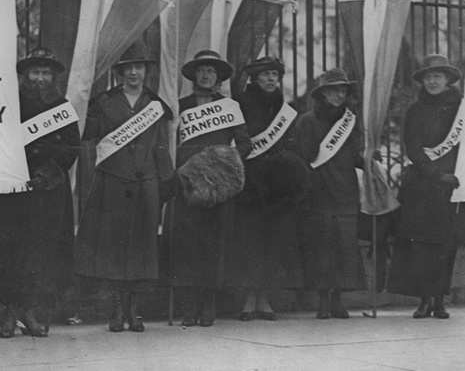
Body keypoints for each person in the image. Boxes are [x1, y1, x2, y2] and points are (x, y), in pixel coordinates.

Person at [0, 48, 80, 338]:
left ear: (53, 77)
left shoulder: (62, 107)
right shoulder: (6, 106)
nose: (40, 79)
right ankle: (9, 313)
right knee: (8, 251)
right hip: (10, 190)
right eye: (34, 73)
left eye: (45, 73)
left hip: (47, 190)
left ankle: (29, 313)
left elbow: (71, 147)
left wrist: (47, 173)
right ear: (24, 76)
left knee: (39, 252)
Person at [74, 41, 174, 333]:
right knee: (115, 246)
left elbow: (161, 146)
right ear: (118, 72)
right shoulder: (104, 102)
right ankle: (117, 309)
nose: (133, 73)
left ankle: (135, 309)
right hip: (113, 181)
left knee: (143, 246)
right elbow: (87, 134)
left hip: (146, 182)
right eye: (127, 68)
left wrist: (165, 181)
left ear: (146, 71)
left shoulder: (155, 105)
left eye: (138, 67)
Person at [165, 50, 251, 327]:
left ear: (218, 77)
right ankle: (189, 306)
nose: (206, 75)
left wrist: (220, 165)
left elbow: (245, 144)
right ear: (194, 75)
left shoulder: (230, 107)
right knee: (187, 245)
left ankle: (208, 303)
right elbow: (169, 144)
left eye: (211, 71)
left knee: (214, 245)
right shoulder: (179, 106)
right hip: (187, 184)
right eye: (201, 70)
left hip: (218, 188)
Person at [388, 54, 465, 319]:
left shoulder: (464, 109)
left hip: (454, 187)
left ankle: (439, 299)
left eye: (438, 76)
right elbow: (412, 146)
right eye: (428, 77)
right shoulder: (416, 110)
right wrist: (435, 173)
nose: (433, 81)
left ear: (448, 79)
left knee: (446, 245)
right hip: (423, 186)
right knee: (422, 246)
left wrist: (458, 174)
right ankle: (424, 299)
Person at [227, 56, 307, 321]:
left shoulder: (283, 107)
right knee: (250, 241)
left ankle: (265, 298)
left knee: (272, 243)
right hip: (250, 181)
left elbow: (289, 142)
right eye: (265, 75)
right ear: (254, 78)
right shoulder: (241, 103)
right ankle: (249, 299)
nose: (271, 79)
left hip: (276, 184)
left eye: (275, 74)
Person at [294, 68, 366, 319]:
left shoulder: (350, 121)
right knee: (321, 247)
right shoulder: (307, 121)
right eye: (333, 90)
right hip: (319, 192)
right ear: (322, 93)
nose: (338, 94)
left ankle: (338, 299)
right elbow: (303, 158)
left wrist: (368, 161)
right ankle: (323, 299)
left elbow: (355, 155)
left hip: (345, 189)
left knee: (344, 247)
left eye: (342, 90)